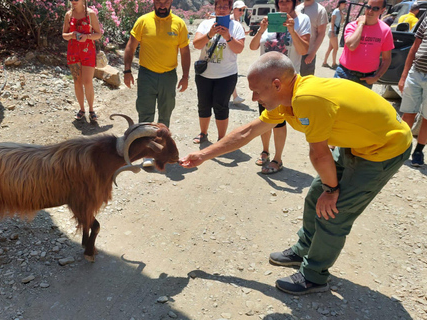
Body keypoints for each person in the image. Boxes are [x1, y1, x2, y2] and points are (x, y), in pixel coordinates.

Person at [180, 51, 412, 295]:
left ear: (277, 84)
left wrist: (332, 190)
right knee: (315, 195)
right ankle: (304, 249)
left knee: (334, 211)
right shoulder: (286, 99)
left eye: (257, 91)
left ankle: (315, 276)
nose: (253, 97)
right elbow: (247, 132)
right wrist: (204, 155)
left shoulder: (307, 99)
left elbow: (319, 155)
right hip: (357, 142)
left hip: (384, 148)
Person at [249, 0, 310, 173]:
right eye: (280, 0)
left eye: (287, 0)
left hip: (285, 82)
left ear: (294, 2)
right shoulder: (269, 20)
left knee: (279, 121)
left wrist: (292, 30)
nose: (283, 3)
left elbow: (304, 49)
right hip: (264, 82)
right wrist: (261, 29)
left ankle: (278, 158)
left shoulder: (302, 20)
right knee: (264, 117)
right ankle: (265, 151)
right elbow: (253, 46)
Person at [123, 0, 191, 129]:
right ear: (154, 1)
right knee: (145, 115)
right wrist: (127, 71)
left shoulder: (179, 24)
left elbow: (185, 52)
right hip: (147, 76)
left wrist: (185, 76)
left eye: (165, 2)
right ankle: (143, 144)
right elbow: (130, 47)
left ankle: (161, 145)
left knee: (165, 116)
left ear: (171, 1)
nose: (162, 5)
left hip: (168, 76)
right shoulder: (143, 21)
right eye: (159, 2)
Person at [191, 0, 245, 144]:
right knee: (203, 105)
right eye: (219, 6)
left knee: (221, 106)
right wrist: (209, 34)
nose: (221, 9)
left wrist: (228, 36)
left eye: (225, 7)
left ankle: (221, 139)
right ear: (215, 8)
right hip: (204, 75)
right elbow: (196, 45)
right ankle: (203, 133)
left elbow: (239, 49)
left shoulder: (236, 26)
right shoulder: (205, 24)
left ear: (230, 9)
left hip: (226, 75)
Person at [334, 0, 393, 89]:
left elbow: (387, 59)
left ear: (382, 10)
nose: (370, 11)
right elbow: (352, 46)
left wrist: (376, 77)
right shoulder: (352, 26)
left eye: (375, 8)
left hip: (366, 79)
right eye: (368, 7)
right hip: (344, 74)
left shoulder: (385, 30)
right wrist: (361, 25)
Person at [62, 0, 102, 122]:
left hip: (88, 51)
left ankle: (91, 110)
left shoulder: (91, 14)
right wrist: (72, 35)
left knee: (87, 81)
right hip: (73, 52)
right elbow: (64, 34)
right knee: (77, 81)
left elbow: (98, 34)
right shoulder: (68, 15)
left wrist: (87, 37)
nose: (73, 1)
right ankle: (81, 109)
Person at [398, 17, 427, 166]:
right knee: (408, 113)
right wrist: (404, 75)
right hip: (415, 72)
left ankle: (418, 151)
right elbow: (414, 47)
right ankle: (400, 148)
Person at [296, 0, 328, 76]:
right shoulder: (296, 8)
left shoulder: (321, 10)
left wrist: (312, 53)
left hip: (308, 53)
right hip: (294, 51)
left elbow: (321, 34)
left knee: (307, 81)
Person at [231, 0, 248, 105]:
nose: (242, 11)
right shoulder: (232, 19)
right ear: (234, 9)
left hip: (232, 50)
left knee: (231, 74)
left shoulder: (237, 20)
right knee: (231, 73)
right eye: (240, 9)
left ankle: (235, 96)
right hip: (229, 50)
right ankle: (235, 96)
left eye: (243, 10)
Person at [322, 0, 347, 69]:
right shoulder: (336, 11)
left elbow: (341, 23)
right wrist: (333, 31)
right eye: (344, 4)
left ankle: (325, 62)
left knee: (330, 48)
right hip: (333, 31)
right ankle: (334, 63)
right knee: (336, 48)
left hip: (335, 31)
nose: (345, 5)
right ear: (341, 4)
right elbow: (332, 22)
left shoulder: (340, 12)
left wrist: (342, 16)